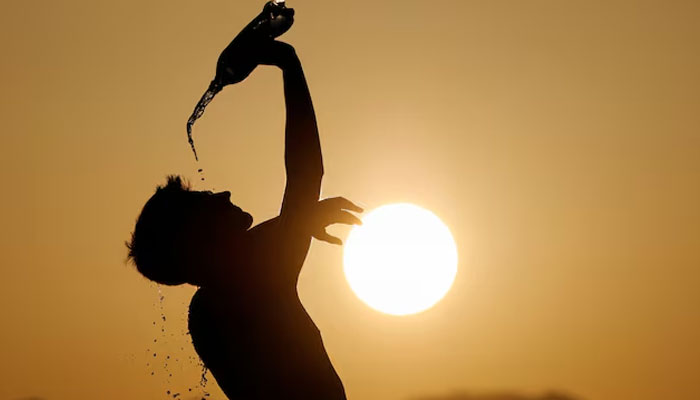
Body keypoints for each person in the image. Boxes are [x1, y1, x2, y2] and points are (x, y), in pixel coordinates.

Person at [127, 38, 361, 399]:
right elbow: (305, 173)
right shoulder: (253, 283)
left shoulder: (209, 306)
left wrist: (301, 216)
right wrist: (288, 62)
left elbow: (252, 246)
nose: (224, 194)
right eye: (206, 200)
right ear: (201, 237)